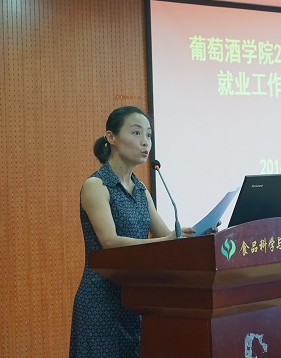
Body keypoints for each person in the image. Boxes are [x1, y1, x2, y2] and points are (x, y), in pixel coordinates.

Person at [69, 106, 194, 358]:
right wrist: (166, 240)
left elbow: (167, 237)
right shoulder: (97, 185)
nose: (145, 142)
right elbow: (109, 241)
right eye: (136, 133)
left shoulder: (140, 189)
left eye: (148, 135)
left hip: (135, 299)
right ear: (111, 137)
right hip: (100, 301)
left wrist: (199, 235)